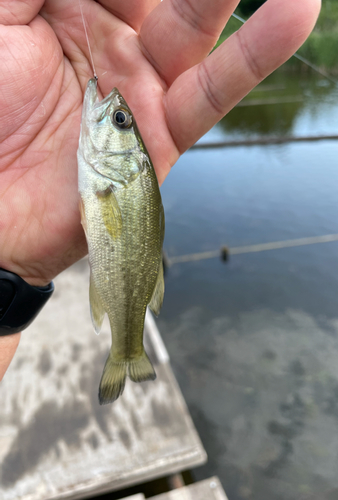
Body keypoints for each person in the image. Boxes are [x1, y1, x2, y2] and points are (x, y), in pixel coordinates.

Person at [0, 0, 320, 380]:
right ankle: (128, 352)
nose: (114, 112)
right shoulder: (109, 176)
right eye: (123, 119)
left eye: (119, 120)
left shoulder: (110, 178)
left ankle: (127, 351)